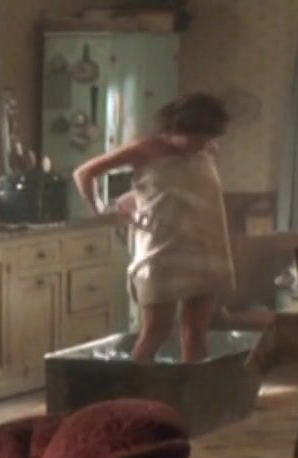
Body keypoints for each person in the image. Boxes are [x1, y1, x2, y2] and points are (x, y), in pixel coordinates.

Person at [72, 93, 235, 363]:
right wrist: (100, 208)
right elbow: (84, 173)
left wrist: (136, 199)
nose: (201, 144)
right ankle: (134, 388)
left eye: (207, 137)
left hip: (204, 247)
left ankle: (191, 388)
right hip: (161, 250)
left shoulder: (206, 151)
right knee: (156, 329)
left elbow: (182, 192)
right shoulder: (145, 149)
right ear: (176, 128)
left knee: (196, 331)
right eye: (195, 137)